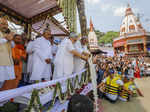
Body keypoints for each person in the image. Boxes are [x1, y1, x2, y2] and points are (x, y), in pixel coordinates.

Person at [0, 18, 15, 89]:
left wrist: (10, 39)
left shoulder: (6, 34)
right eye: (3, 24)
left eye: (6, 24)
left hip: (7, 61)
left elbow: (13, 46)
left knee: (2, 81)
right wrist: (6, 39)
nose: (5, 26)